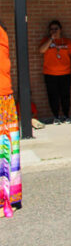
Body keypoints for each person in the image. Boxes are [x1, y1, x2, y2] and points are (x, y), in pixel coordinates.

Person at [38, 20, 71, 124]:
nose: (54, 31)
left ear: (60, 30)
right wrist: (51, 39)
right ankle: (56, 116)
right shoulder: (46, 40)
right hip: (50, 74)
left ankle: (66, 116)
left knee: (65, 95)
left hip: (65, 73)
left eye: (56, 29)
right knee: (53, 96)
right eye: (52, 29)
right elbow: (41, 50)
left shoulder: (67, 41)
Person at [1, 21, 22, 218]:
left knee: (4, 149)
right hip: (4, 98)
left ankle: (5, 199)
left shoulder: (2, 34)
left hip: (3, 99)